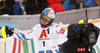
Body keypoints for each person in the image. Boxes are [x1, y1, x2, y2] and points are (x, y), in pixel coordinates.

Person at [1, 8, 67, 53]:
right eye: (43, 17)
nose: (44, 20)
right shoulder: (36, 28)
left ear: (51, 20)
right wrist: (12, 33)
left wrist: (61, 46)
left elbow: (68, 35)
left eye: (47, 19)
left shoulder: (57, 27)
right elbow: (25, 37)